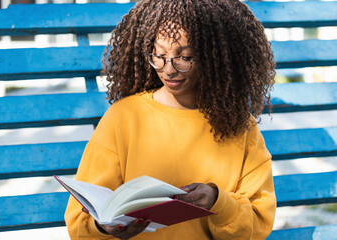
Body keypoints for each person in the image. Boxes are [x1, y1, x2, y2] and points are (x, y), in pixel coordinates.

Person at [65, 0, 276, 239]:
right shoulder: (123, 118)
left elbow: (258, 224)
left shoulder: (240, 126)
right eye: (159, 55)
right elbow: (79, 222)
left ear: (217, 57)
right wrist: (103, 229)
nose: (169, 69)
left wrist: (219, 203)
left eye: (184, 57)